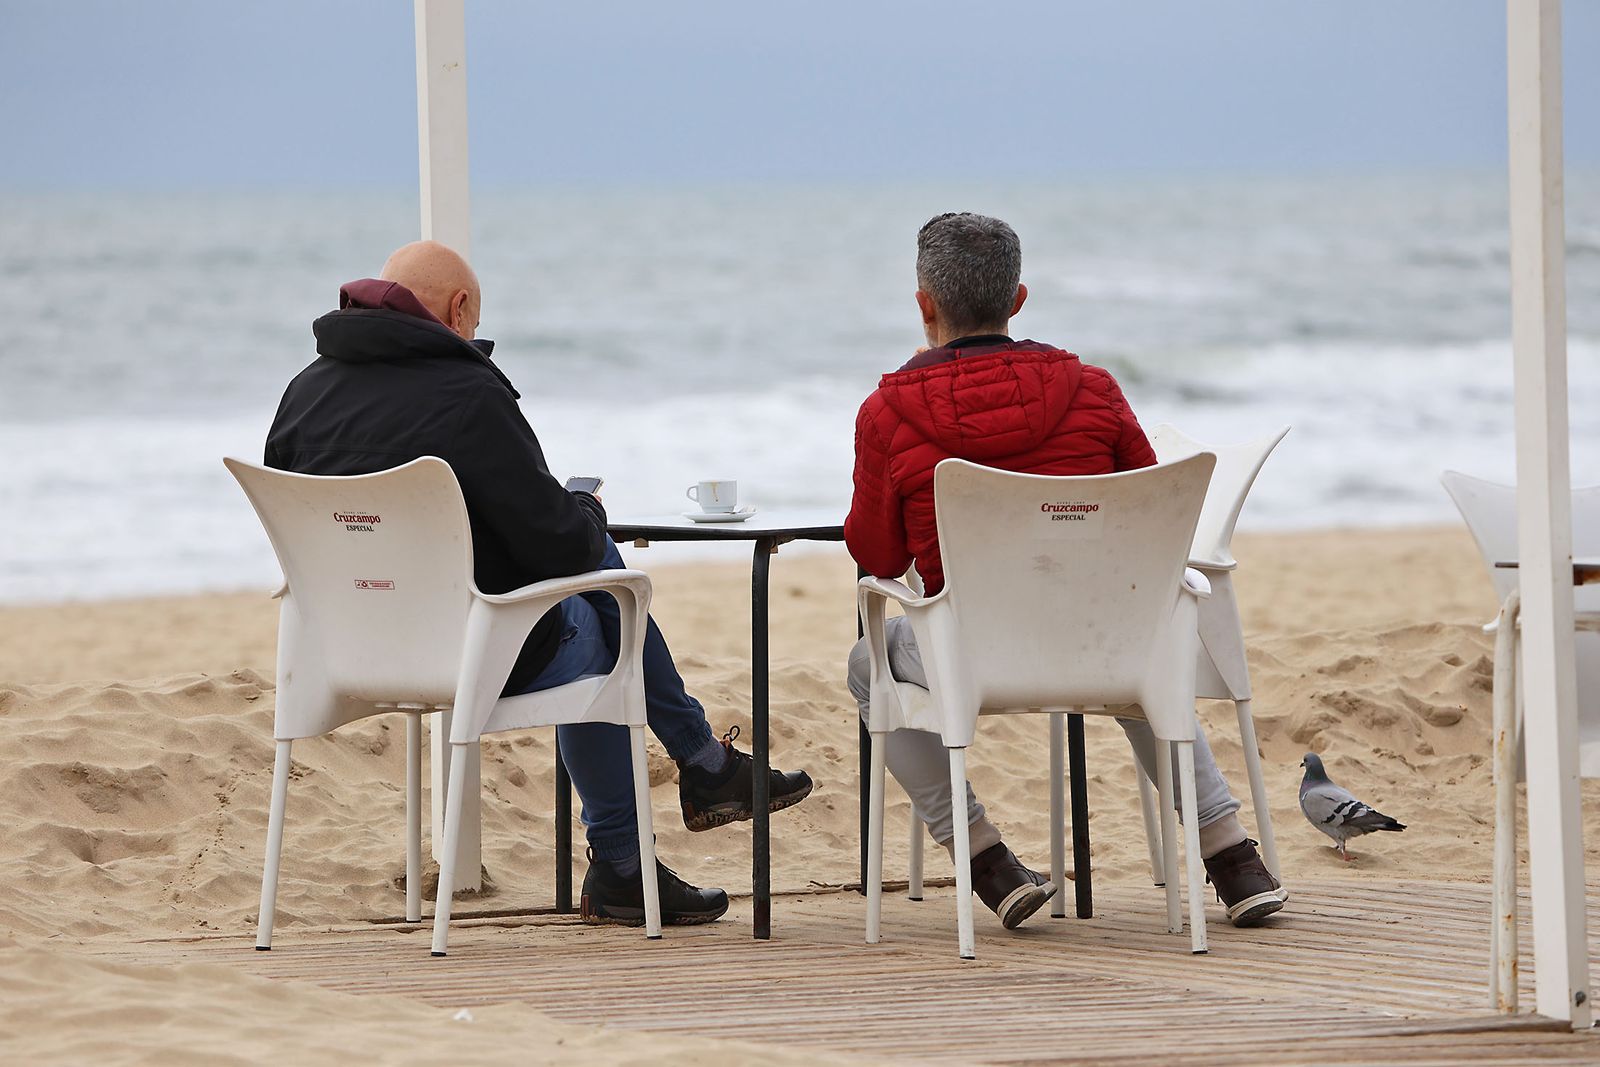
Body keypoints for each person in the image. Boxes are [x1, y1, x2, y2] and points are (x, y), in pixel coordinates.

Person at [265, 240, 813, 927]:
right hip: (474, 657)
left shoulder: (302, 394)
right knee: (608, 600)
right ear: (459, 310)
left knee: (596, 590)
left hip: (339, 651)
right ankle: (667, 806)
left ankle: (686, 787)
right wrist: (585, 509)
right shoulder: (467, 391)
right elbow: (556, 540)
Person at [844, 213, 1284, 930]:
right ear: (1018, 300)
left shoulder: (886, 413)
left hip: (970, 652)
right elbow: (1149, 523)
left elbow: (881, 557)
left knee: (870, 665)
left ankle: (986, 859)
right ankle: (1231, 855)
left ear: (924, 303)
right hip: (1103, 643)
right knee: (1147, 655)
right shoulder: (1095, 390)